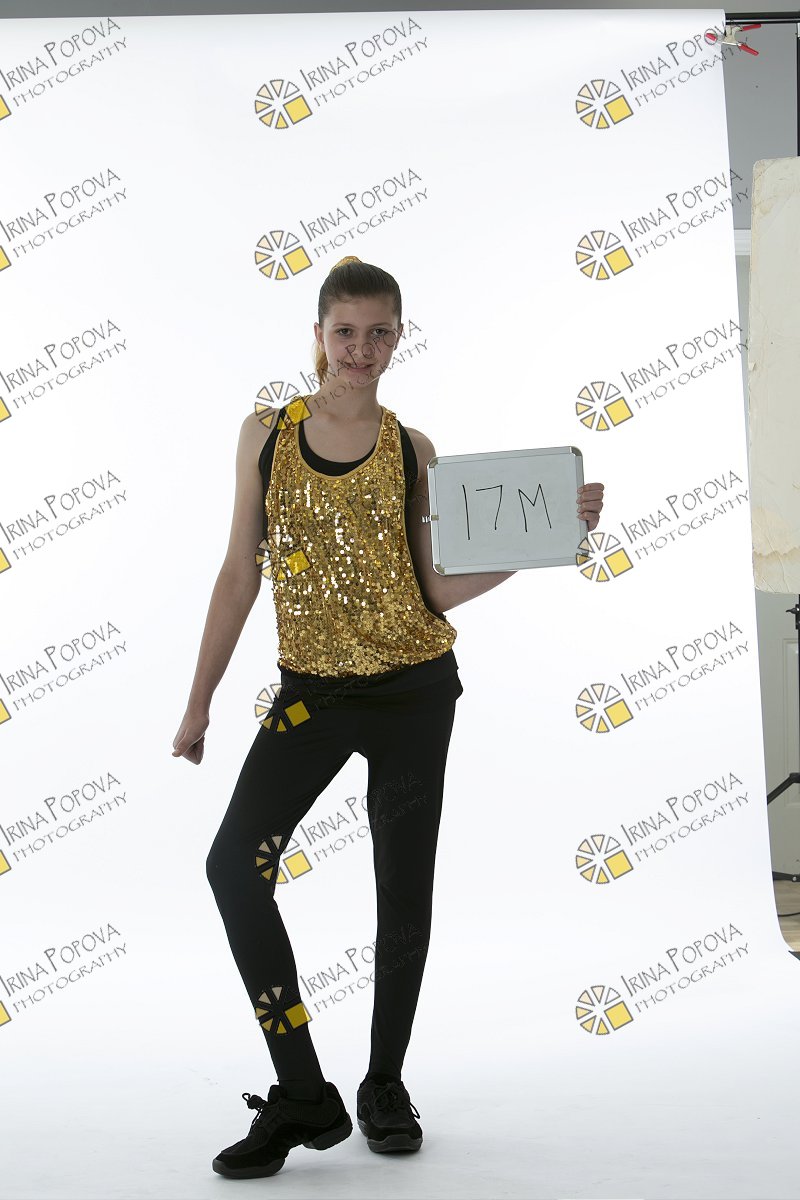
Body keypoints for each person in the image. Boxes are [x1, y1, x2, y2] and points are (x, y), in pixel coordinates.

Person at [172, 256, 605, 1179]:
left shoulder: (414, 449)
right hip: (312, 696)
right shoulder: (266, 435)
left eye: (379, 333)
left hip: (414, 692)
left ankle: (384, 1084)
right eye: (345, 332)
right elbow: (240, 570)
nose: (360, 349)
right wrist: (200, 699)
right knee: (234, 868)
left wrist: (550, 536)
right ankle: (302, 1091)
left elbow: (434, 585)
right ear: (317, 335)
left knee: (403, 892)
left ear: (398, 339)